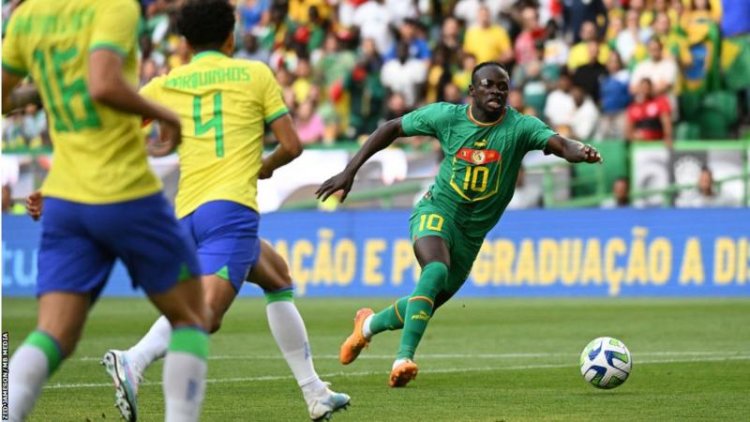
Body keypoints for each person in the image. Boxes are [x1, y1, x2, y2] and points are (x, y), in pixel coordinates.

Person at [96, 1, 349, 421]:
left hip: (188, 213)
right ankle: (134, 360)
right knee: (204, 316)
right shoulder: (255, 74)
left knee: (278, 276)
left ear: (184, 42)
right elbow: (292, 144)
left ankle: (314, 392)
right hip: (230, 210)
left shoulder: (167, 83)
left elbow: (114, 133)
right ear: (231, 36)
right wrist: (264, 166)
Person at [316, 62, 602, 388]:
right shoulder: (448, 117)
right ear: (472, 91)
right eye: (488, 85)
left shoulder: (520, 127)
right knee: (434, 271)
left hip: (472, 235)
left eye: (502, 87)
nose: (496, 91)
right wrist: (349, 171)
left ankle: (366, 327)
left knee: (425, 302)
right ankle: (403, 358)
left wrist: (581, 150)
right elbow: (391, 128)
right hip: (437, 210)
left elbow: (561, 144)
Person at [2, 1, 209, 421]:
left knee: (53, 333)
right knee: (191, 316)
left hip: (65, 200)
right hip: (124, 192)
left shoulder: (27, 17)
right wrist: (165, 115)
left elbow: (6, 98)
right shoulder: (114, 6)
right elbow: (103, 84)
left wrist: (52, 87)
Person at [625, 78, 673, 146]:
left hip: (657, 140)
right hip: (639, 143)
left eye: (647, 87)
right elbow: (629, 128)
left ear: (651, 88)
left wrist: (668, 137)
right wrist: (631, 137)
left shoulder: (660, 102)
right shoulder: (634, 106)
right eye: (643, 88)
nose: (645, 90)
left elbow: (666, 122)